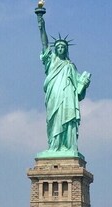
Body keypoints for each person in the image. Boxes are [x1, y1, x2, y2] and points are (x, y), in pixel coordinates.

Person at [36, 7, 90, 157]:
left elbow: (79, 89)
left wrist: (84, 83)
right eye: (58, 47)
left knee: (67, 119)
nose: (60, 48)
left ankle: (67, 146)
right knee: (53, 120)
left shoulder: (70, 66)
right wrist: (41, 22)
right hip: (54, 95)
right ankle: (54, 146)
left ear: (66, 50)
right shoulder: (51, 61)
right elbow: (45, 44)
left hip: (67, 97)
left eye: (62, 47)